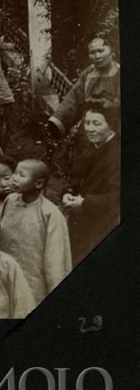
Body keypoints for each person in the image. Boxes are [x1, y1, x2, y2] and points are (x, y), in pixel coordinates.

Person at [0, 158, 71, 308]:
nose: (14, 178)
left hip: (33, 283)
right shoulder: (10, 201)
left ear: (39, 183)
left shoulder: (49, 213)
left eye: (21, 175)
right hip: (4, 276)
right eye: (15, 173)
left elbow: (55, 259)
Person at [61, 103, 120, 267]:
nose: (90, 129)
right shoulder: (89, 148)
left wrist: (85, 203)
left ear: (111, 126)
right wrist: (68, 192)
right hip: (81, 219)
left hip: (104, 224)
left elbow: (117, 198)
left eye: (97, 123)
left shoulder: (118, 155)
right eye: (87, 123)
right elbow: (75, 180)